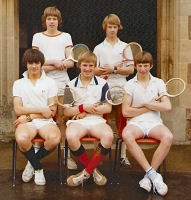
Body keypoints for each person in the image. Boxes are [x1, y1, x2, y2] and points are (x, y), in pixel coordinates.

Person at [122, 51, 173, 196]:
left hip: (154, 123)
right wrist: (148, 106)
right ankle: (153, 176)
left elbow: (167, 107)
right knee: (126, 134)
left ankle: (148, 177)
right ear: (135, 66)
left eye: (145, 65)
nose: (142, 69)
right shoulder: (129, 85)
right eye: (139, 66)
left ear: (151, 66)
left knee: (168, 137)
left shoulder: (159, 82)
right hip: (135, 123)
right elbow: (126, 112)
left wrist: (143, 105)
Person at [32, 6, 77, 170]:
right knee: (41, 117)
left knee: (64, 119)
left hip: (64, 85)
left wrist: (53, 64)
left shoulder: (66, 37)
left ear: (59, 21)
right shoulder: (37, 37)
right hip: (42, 84)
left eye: (55, 19)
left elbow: (71, 62)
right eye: (49, 19)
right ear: (45, 21)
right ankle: (35, 157)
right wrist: (55, 63)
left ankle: (66, 155)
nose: (52, 21)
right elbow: (35, 63)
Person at [64, 51, 113, 187]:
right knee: (71, 136)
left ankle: (84, 174)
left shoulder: (103, 84)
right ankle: (93, 171)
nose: (88, 69)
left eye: (91, 66)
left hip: (96, 119)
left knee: (108, 136)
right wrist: (82, 108)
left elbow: (108, 108)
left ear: (95, 66)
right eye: (85, 65)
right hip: (77, 121)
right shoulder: (70, 84)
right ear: (79, 65)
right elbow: (67, 111)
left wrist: (88, 110)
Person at [13, 49, 61, 185]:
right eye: (30, 63)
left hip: (44, 121)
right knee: (22, 139)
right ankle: (38, 168)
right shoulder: (18, 83)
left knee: (54, 138)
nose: (33, 66)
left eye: (37, 63)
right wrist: (41, 109)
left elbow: (52, 110)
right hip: (26, 122)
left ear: (41, 64)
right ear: (25, 64)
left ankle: (31, 163)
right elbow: (18, 109)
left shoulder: (51, 82)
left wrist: (29, 116)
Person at [93, 14, 134, 167]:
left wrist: (115, 69)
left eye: (115, 27)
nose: (112, 30)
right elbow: (93, 70)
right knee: (102, 120)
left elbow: (130, 70)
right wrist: (105, 70)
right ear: (105, 28)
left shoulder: (125, 47)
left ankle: (123, 155)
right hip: (104, 87)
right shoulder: (98, 48)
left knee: (122, 121)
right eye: (109, 27)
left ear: (118, 28)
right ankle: (102, 154)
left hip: (121, 88)